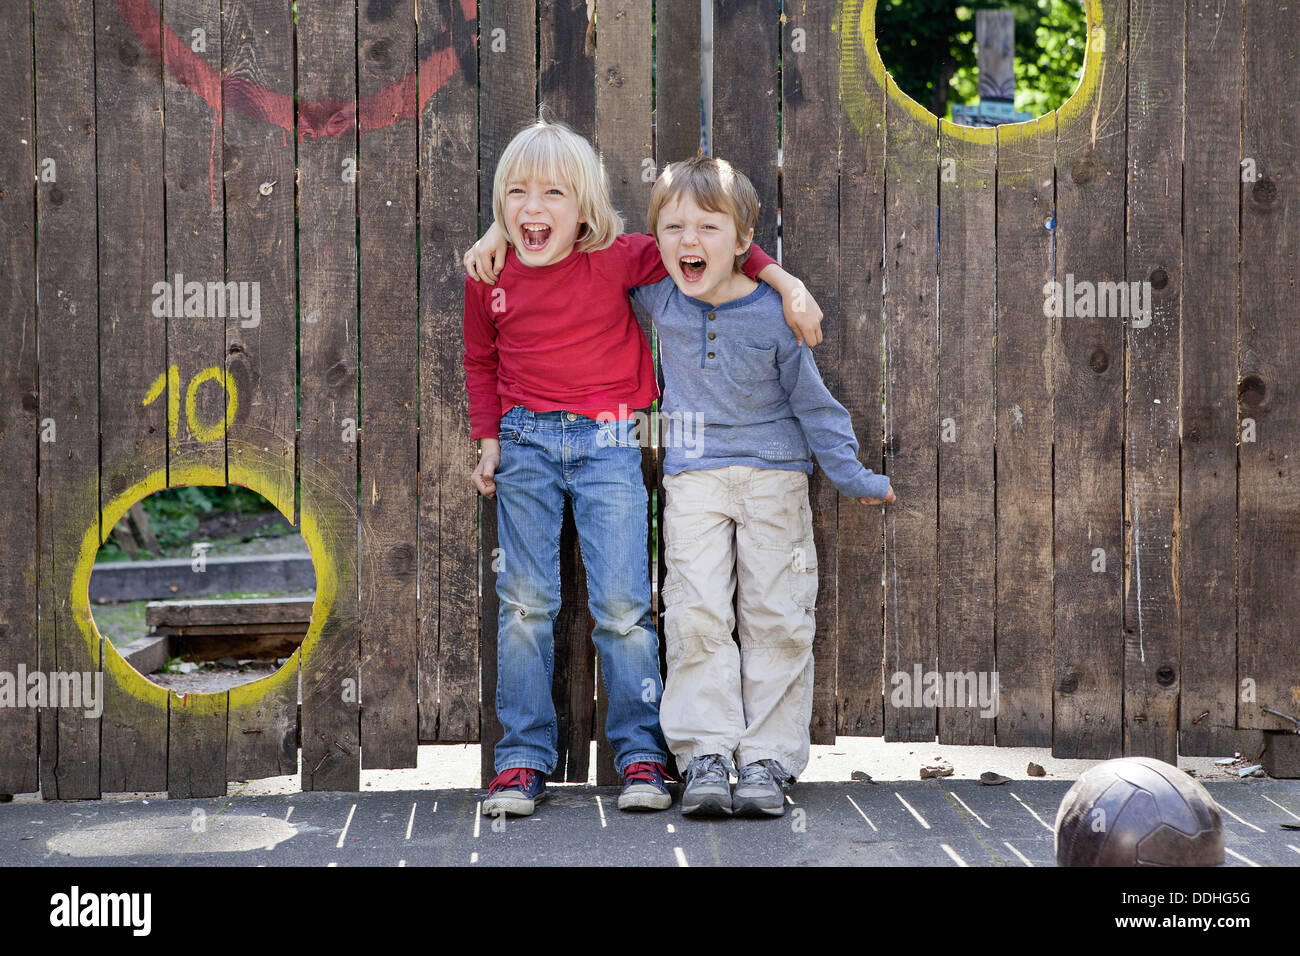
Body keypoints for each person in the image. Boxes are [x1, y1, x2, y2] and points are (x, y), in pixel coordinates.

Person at [462, 118, 822, 817]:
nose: (533, 208)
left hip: (609, 444)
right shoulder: (490, 273)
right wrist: (489, 438)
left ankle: (641, 755)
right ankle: (521, 761)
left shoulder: (623, 258)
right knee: (525, 606)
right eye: (516, 194)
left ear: (586, 208)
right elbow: (481, 359)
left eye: (552, 195)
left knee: (624, 608)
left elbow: (717, 247)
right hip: (525, 442)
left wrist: (785, 281)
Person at [629, 155, 896, 817]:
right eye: (674, 228)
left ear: (744, 244)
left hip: (775, 480)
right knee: (696, 613)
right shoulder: (658, 296)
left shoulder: (777, 317)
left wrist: (849, 473)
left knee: (777, 616)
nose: (689, 242)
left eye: (708, 227)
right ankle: (706, 757)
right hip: (693, 481)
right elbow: (590, 250)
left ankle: (768, 760)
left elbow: (815, 404)